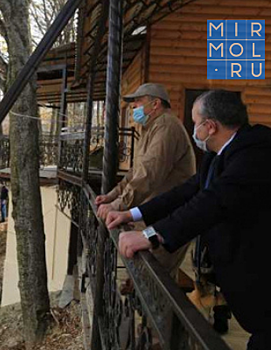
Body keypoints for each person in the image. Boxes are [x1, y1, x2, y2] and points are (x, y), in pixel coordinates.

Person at [107, 90, 271, 350]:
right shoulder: (218, 156)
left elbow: (213, 201)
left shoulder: (255, 153)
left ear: (210, 126)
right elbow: (186, 192)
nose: (194, 130)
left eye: (195, 123)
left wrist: (151, 235)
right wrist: (133, 213)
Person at [96, 83, 196, 279]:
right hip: (155, 213)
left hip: (170, 216)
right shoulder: (151, 127)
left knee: (158, 276)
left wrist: (118, 205)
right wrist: (112, 196)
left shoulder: (166, 126)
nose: (133, 108)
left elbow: (149, 173)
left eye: (138, 102)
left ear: (155, 103)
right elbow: (136, 172)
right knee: (148, 273)